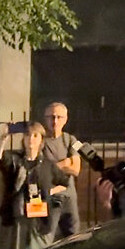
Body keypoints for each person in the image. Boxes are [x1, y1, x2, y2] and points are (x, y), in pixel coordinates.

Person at [0, 121, 70, 249]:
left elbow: (64, 182)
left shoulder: (47, 165)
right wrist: (3, 138)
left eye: (35, 135)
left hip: (38, 220)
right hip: (17, 217)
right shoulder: (15, 160)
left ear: (41, 139)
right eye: (28, 135)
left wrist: (50, 192)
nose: (31, 139)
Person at [39, 102, 84, 238]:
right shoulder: (39, 140)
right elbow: (41, 170)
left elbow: (76, 169)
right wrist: (65, 162)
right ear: (45, 118)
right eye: (51, 117)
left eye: (59, 117)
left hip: (69, 197)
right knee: (46, 237)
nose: (55, 121)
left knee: (73, 238)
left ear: (66, 119)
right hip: (49, 197)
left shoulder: (71, 140)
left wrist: (53, 166)